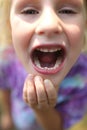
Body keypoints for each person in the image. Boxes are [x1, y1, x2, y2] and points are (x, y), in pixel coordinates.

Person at [0, 0, 87, 130]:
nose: (49, 24)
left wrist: (42, 109)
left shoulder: (83, 78)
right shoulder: (7, 58)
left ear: (84, 26)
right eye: (29, 11)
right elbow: (5, 87)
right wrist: (7, 115)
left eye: (67, 11)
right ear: (10, 27)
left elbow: (58, 127)